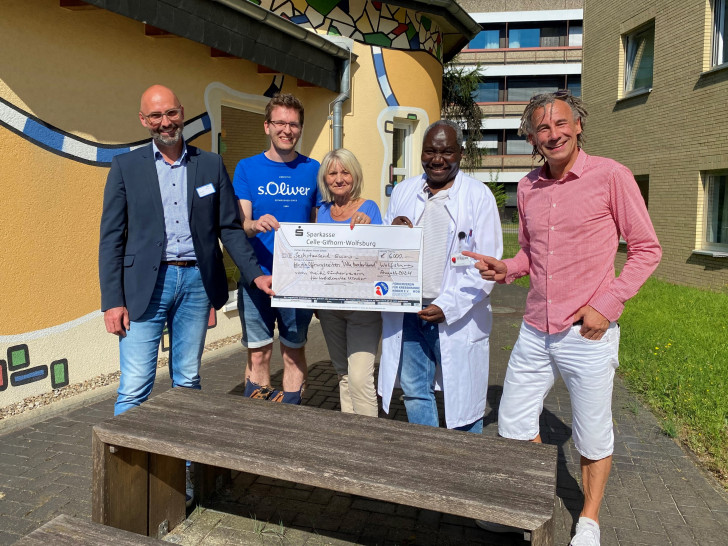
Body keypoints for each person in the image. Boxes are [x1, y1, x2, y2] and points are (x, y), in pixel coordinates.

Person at [464, 91, 661, 546]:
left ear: (578, 125)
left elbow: (647, 249)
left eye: (560, 123)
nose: (552, 134)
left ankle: (589, 519)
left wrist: (607, 306)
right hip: (535, 329)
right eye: (542, 128)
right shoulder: (529, 185)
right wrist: (506, 268)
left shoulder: (611, 176)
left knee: (592, 432)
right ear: (531, 138)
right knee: (513, 425)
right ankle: (531, 503)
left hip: (587, 332)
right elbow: (531, 253)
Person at [99, 84, 273, 417]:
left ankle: (186, 467)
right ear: (143, 120)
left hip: (196, 284)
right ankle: (125, 466)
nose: (165, 122)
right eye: (155, 115)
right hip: (144, 287)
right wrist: (112, 302)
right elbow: (111, 238)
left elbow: (229, 228)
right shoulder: (126, 167)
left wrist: (255, 275)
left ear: (182, 112)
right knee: (135, 385)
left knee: (189, 381)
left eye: (171, 113)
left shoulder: (210, 164)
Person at [378, 120, 503, 432]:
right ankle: (426, 462)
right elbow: (383, 250)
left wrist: (448, 306)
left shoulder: (478, 196)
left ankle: (463, 468)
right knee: (415, 391)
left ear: (460, 153)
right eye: (430, 151)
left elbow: (487, 267)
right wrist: (391, 233)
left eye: (446, 151)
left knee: (463, 399)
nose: (437, 159)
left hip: (457, 315)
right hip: (409, 311)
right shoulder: (404, 192)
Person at [232, 93, 320, 404]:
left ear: (300, 128)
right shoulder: (246, 168)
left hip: (297, 279)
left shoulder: (314, 169)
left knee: (294, 353)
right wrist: (254, 224)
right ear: (267, 126)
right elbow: (241, 223)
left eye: (294, 124)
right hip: (257, 275)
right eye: (280, 122)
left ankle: (290, 418)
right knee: (259, 355)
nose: (287, 130)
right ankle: (259, 426)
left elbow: (319, 226)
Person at [316, 148, 382, 417]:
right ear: (325, 179)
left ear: (355, 175)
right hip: (330, 307)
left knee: (360, 377)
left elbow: (382, 256)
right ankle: (349, 438)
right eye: (332, 173)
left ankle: (370, 443)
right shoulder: (320, 210)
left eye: (345, 172)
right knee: (343, 374)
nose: (339, 178)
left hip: (363, 307)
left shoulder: (370, 209)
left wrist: (370, 227)